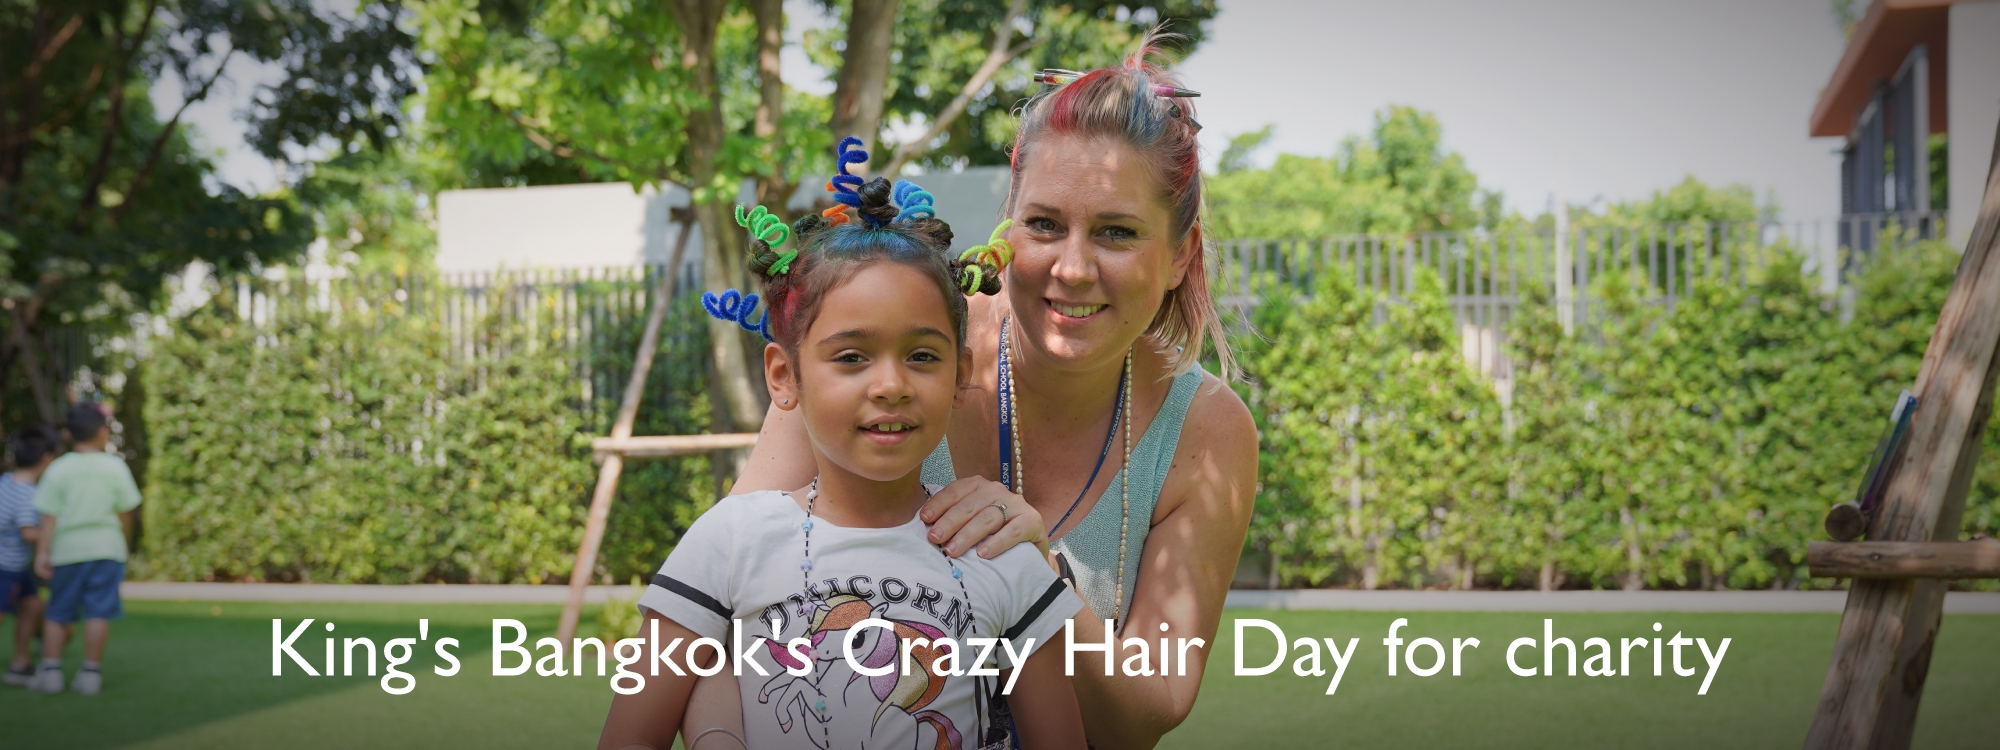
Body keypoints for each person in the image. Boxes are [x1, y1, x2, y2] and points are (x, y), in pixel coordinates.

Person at [726, 37, 1258, 748]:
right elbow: (719, 602)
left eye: (1117, 232)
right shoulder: (878, 350)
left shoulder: (1206, 429)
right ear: (1008, 223)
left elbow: (1144, 715)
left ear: (1179, 256)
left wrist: (1037, 575)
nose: (1073, 268)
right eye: (1044, 224)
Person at [599, 150, 1087, 750]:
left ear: (961, 375)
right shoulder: (727, 542)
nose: (891, 384)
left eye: (923, 356)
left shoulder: (1001, 556)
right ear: (784, 376)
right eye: (852, 357)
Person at [28, 403, 143, 696]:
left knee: (58, 611)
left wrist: (42, 552)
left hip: (68, 550)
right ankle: (91, 674)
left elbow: (49, 517)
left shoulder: (58, 469)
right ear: (102, 432)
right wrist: (123, 544)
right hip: (107, 549)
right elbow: (126, 512)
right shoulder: (115, 467)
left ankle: (51, 672)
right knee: (98, 611)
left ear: (68, 434)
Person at [1, 425, 57, 685]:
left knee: (33, 606)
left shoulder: (6, 481)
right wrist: (53, 531)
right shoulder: (29, 493)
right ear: (46, 458)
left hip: (17, 566)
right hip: (7, 566)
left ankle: (20, 663)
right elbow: (28, 533)